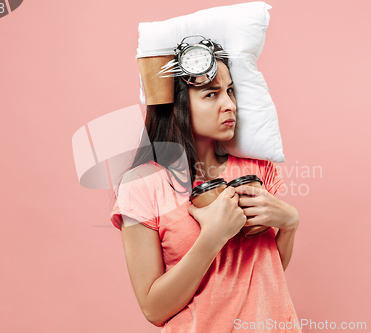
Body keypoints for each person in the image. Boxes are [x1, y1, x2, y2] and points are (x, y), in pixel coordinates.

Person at [110, 41, 301, 333]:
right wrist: (213, 236)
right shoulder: (141, 186)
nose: (230, 104)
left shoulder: (257, 169)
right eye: (211, 94)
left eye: (230, 91)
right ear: (176, 106)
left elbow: (267, 271)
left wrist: (290, 223)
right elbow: (154, 308)